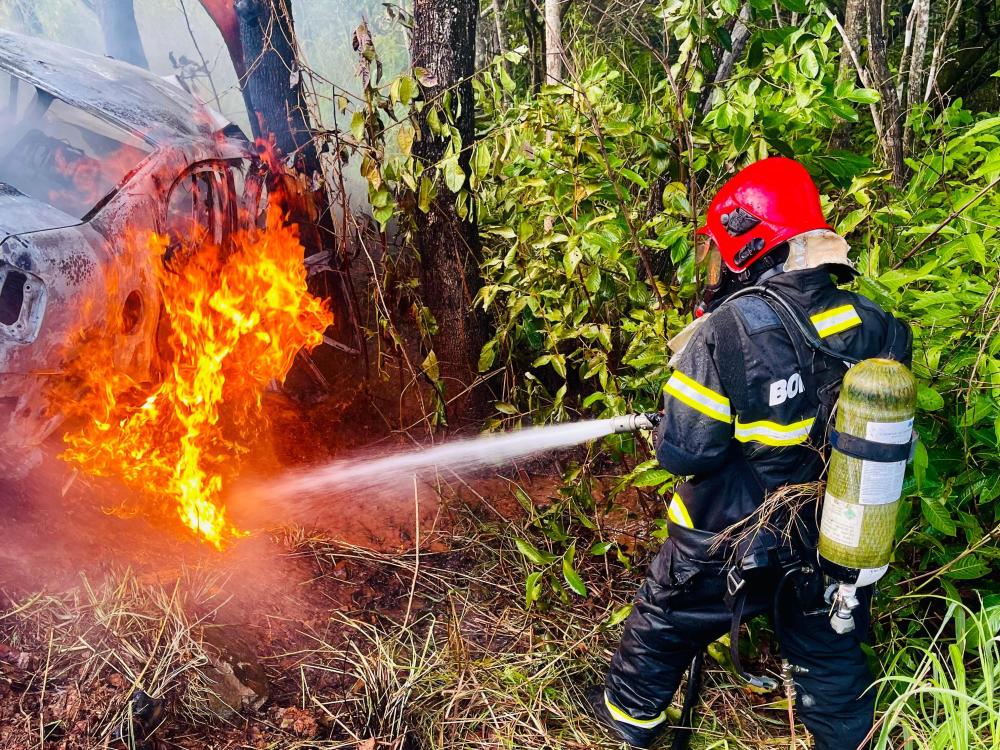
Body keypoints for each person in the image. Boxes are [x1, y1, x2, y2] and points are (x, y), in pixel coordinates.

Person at [587, 157, 911, 749]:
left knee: (665, 615)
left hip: (730, 538)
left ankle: (629, 722)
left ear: (747, 238)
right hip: (830, 530)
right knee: (827, 648)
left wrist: (670, 427)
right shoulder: (873, 324)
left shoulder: (726, 331)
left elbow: (687, 453)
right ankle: (851, 740)